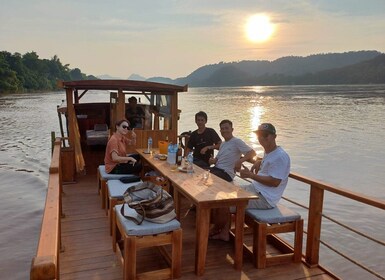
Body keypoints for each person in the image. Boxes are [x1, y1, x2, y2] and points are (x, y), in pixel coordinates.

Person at [210, 123, 291, 241]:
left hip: (265, 198)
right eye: (259, 135)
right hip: (255, 189)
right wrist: (260, 161)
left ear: (274, 136)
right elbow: (270, 164)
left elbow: (275, 182)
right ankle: (223, 232)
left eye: (265, 135)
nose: (262, 138)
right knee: (222, 195)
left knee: (225, 203)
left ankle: (217, 230)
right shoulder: (270, 152)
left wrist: (251, 175)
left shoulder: (281, 156)